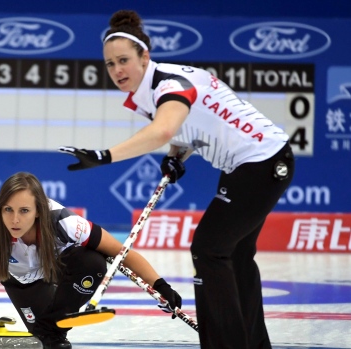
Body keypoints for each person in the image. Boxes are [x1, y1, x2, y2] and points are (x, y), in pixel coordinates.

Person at [58, 10, 295, 349]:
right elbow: (186, 125)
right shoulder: (156, 86)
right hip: (255, 163)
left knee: (210, 250)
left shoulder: (169, 84)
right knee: (235, 254)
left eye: (123, 60)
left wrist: (104, 155)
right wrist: (176, 155)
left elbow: (166, 126)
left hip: (261, 163)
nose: (117, 70)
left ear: (145, 57)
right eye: (110, 64)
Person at [0, 172, 182, 349]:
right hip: (21, 281)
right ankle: (50, 334)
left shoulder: (64, 222)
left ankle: (52, 327)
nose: (15, 219)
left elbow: (122, 252)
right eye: (8, 210)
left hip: (54, 270)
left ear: (38, 211)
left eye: (24, 211)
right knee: (48, 344)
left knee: (92, 262)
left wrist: (161, 285)